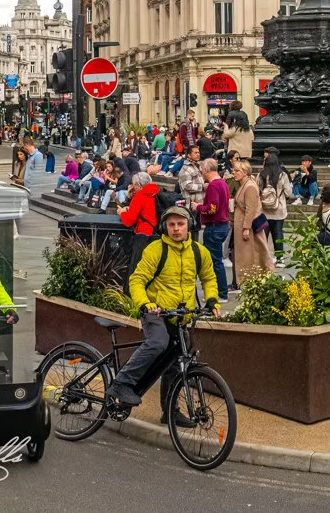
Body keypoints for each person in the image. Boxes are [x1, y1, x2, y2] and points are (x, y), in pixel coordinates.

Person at [107, 205, 221, 418]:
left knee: (176, 360)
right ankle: (122, 383)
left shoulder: (199, 252)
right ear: (164, 227)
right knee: (158, 342)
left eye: (181, 224)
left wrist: (212, 300)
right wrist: (145, 303)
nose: (176, 229)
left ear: (190, 226)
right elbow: (137, 279)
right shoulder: (155, 250)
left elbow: (208, 277)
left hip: (179, 316)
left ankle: (170, 411)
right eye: (171, 225)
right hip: (155, 311)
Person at [196, 159, 232, 301]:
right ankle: (219, 292)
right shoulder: (223, 183)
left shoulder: (213, 186)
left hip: (214, 226)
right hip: (223, 224)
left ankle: (220, 293)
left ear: (206, 170)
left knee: (214, 261)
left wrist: (198, 207)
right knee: (216, 260)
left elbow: (212, 208)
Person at [231, 158, 270, 285]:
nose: (234, 173)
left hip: (247, 227)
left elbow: (250, 209)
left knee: (251, 254)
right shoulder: (246, 184)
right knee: (246, 254)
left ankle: (249, 279)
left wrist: (246, 228)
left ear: (244, 172)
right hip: (242, 224)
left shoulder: (250, 186)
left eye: (237, 171)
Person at [117, 172, 162, 251]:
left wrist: (121, 212)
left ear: (138, 184)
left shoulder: (140, 196)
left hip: (142, 234)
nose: (133, 186)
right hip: (154, 230)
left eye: (134, 184)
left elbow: (129, 221)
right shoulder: (154, 192)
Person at [258, 149, 291, 255]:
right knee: (278, 233)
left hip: (264, 209)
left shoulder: (261, 175)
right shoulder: (283, 175)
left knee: (263, 234)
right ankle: (279, 257)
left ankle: (263, 257)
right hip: (279, 209)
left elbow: (257, 191)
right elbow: (288, 193)